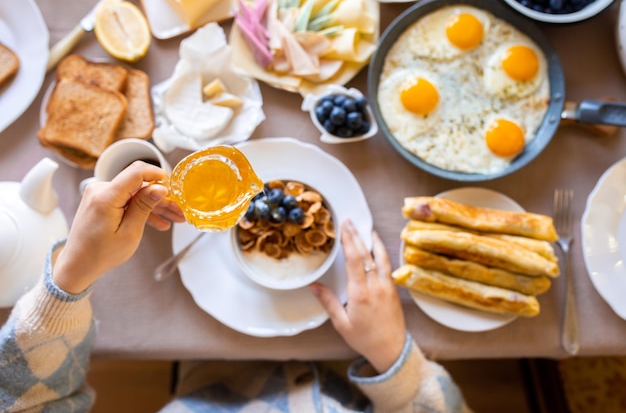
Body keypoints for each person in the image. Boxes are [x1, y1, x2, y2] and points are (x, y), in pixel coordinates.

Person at [0, 161, 473, 413]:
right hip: (348, 388)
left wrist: (72, 276)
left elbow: (23, 399)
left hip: (202, 389)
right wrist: (395, 361)